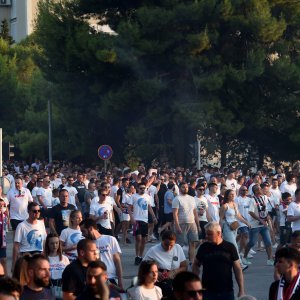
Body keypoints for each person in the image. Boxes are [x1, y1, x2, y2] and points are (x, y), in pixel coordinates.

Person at [192, 222, 245, 299]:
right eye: (206, 234)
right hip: (207, 291)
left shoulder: (230, 247)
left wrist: (241, 289)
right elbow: (196, 264)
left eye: (210, 234)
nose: (206, 236)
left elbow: (237, 268)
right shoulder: (203, 247)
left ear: (219, 233)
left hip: (226, 290)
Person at [81, 218, 124, 289]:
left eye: (83, 231)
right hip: (96, 281)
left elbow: (117, 261)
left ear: (90, 228)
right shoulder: (86, 244)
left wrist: (120, 282)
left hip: (111, 278)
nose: (82, 234)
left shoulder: (110, 239)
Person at [143, 230, 187, 299]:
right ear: (162, 241)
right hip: (159, 279)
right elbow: (143, 267)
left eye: (171, 245)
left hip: (175, 277)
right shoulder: (153, 250)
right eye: (166, 245)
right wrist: (157, 273)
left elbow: (184, 267)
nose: (169, 248)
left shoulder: (178, 248)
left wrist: (173, 272)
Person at [242, 184, 274, 266]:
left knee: (268, 242)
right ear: (256, 191)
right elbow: (251, 212)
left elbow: (265, 210)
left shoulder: (264, 198)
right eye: (259, 188)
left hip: (264, 224)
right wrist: (260, 220)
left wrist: (267, 217)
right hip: (255, 225)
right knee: (252, 242)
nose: (261, 189)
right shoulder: (252, 200)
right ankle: (244, 257)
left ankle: (270, 259)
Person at [220, 189, 251, 270]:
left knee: (228, 247)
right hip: (227, 227)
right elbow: (220, 219)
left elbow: (238, 216)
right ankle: (240, 264)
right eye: (231, 194)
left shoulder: (234, 204)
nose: (233, 196)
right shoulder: (224, 206)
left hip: (234, 227)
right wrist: (219, 231)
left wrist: (246, 223)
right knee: (234, 246)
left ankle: (225, 263)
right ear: (227, 196)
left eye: (234, 194)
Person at [12, 202, 47, 272]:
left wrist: (45, 256)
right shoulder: (21, 226)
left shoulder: (41, 224)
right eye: (34, 211)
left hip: (38, 255)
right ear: (28, 212)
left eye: (39, 211)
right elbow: (16, 245)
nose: (37, 212)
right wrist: (14, 264)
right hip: (26, 255)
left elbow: (44, 241)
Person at [128, 182, 157, 265]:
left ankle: (140, 256)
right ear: (137, 188)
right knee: (138, 238)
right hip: (136, 220)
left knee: (144, 240)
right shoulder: (134, 196)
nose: (142, 189)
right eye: (141, 188)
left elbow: (149, 207)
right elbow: (129, 208)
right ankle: (137, 256)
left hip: (145, 220)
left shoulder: (147, 197)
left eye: (144, 188)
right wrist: (131, 218)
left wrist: (154, 217)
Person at [172, 182, 200, 262]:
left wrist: (198, 225)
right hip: (181, 224)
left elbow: (195, 212)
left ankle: (191, 262)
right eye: (183, 187)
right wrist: (177, 226)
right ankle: (177, 262)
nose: (185, 188)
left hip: (192, 223)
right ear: (180, 188)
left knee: (193, 244)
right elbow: (175, 213)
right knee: (179, 245)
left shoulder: (192, 198)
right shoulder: (177, 199)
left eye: (187, 187)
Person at [0, 199, 9, 275]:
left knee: (4, 260)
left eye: (3, 205)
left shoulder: (4, 216)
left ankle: (6, 278)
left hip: (2, 239)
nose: (2, 207)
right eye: (0, 205)